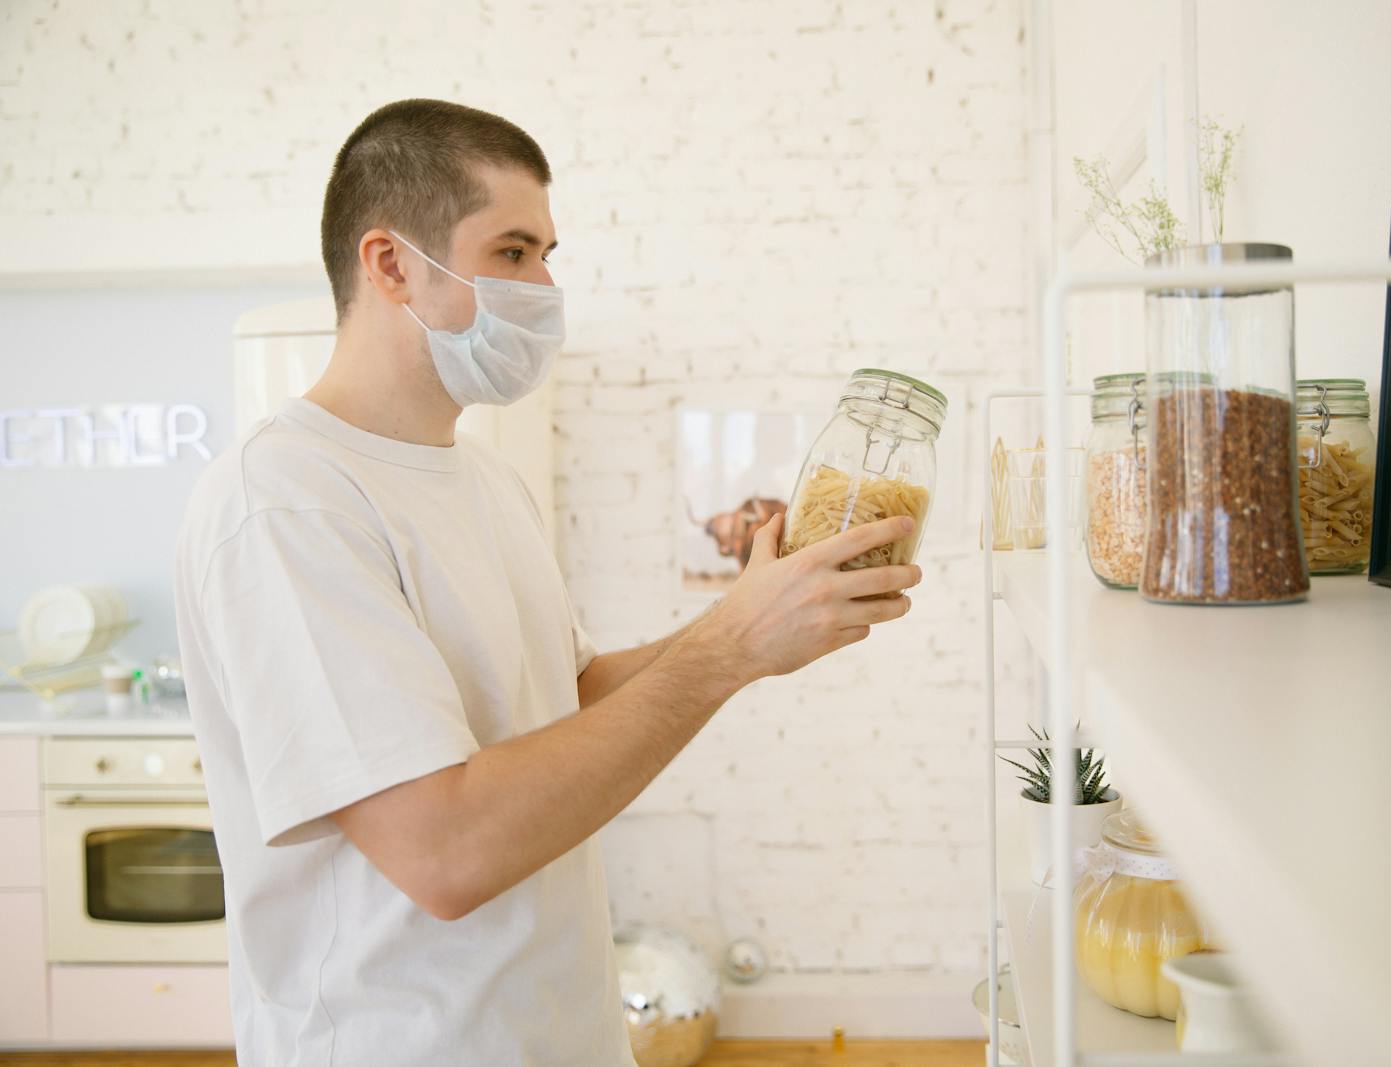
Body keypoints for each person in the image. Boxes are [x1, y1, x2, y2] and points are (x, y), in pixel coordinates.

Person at [173, 98, 920, 1066]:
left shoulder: (484, 475)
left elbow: (559, 699)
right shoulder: (284, 501)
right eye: (514, 252)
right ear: (391, 262)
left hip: (550, 1028)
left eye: (548, 254)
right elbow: (444, 851)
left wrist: (749, 625)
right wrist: (728, 647)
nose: (546, 288)